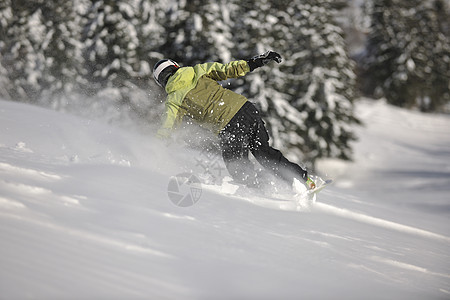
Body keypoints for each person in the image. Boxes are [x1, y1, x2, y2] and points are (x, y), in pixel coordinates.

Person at [153, 51, 316, 190]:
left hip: (229, 125)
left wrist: (156, 148)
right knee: (265, 154)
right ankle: (303, 180)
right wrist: (256, 62)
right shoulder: (198, 71)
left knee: (237, 167)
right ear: (175, 66)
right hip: (246, 109)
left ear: (162, 82)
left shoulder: (174, 99)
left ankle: (261, 193)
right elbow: (228, 69)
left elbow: (168, 126)